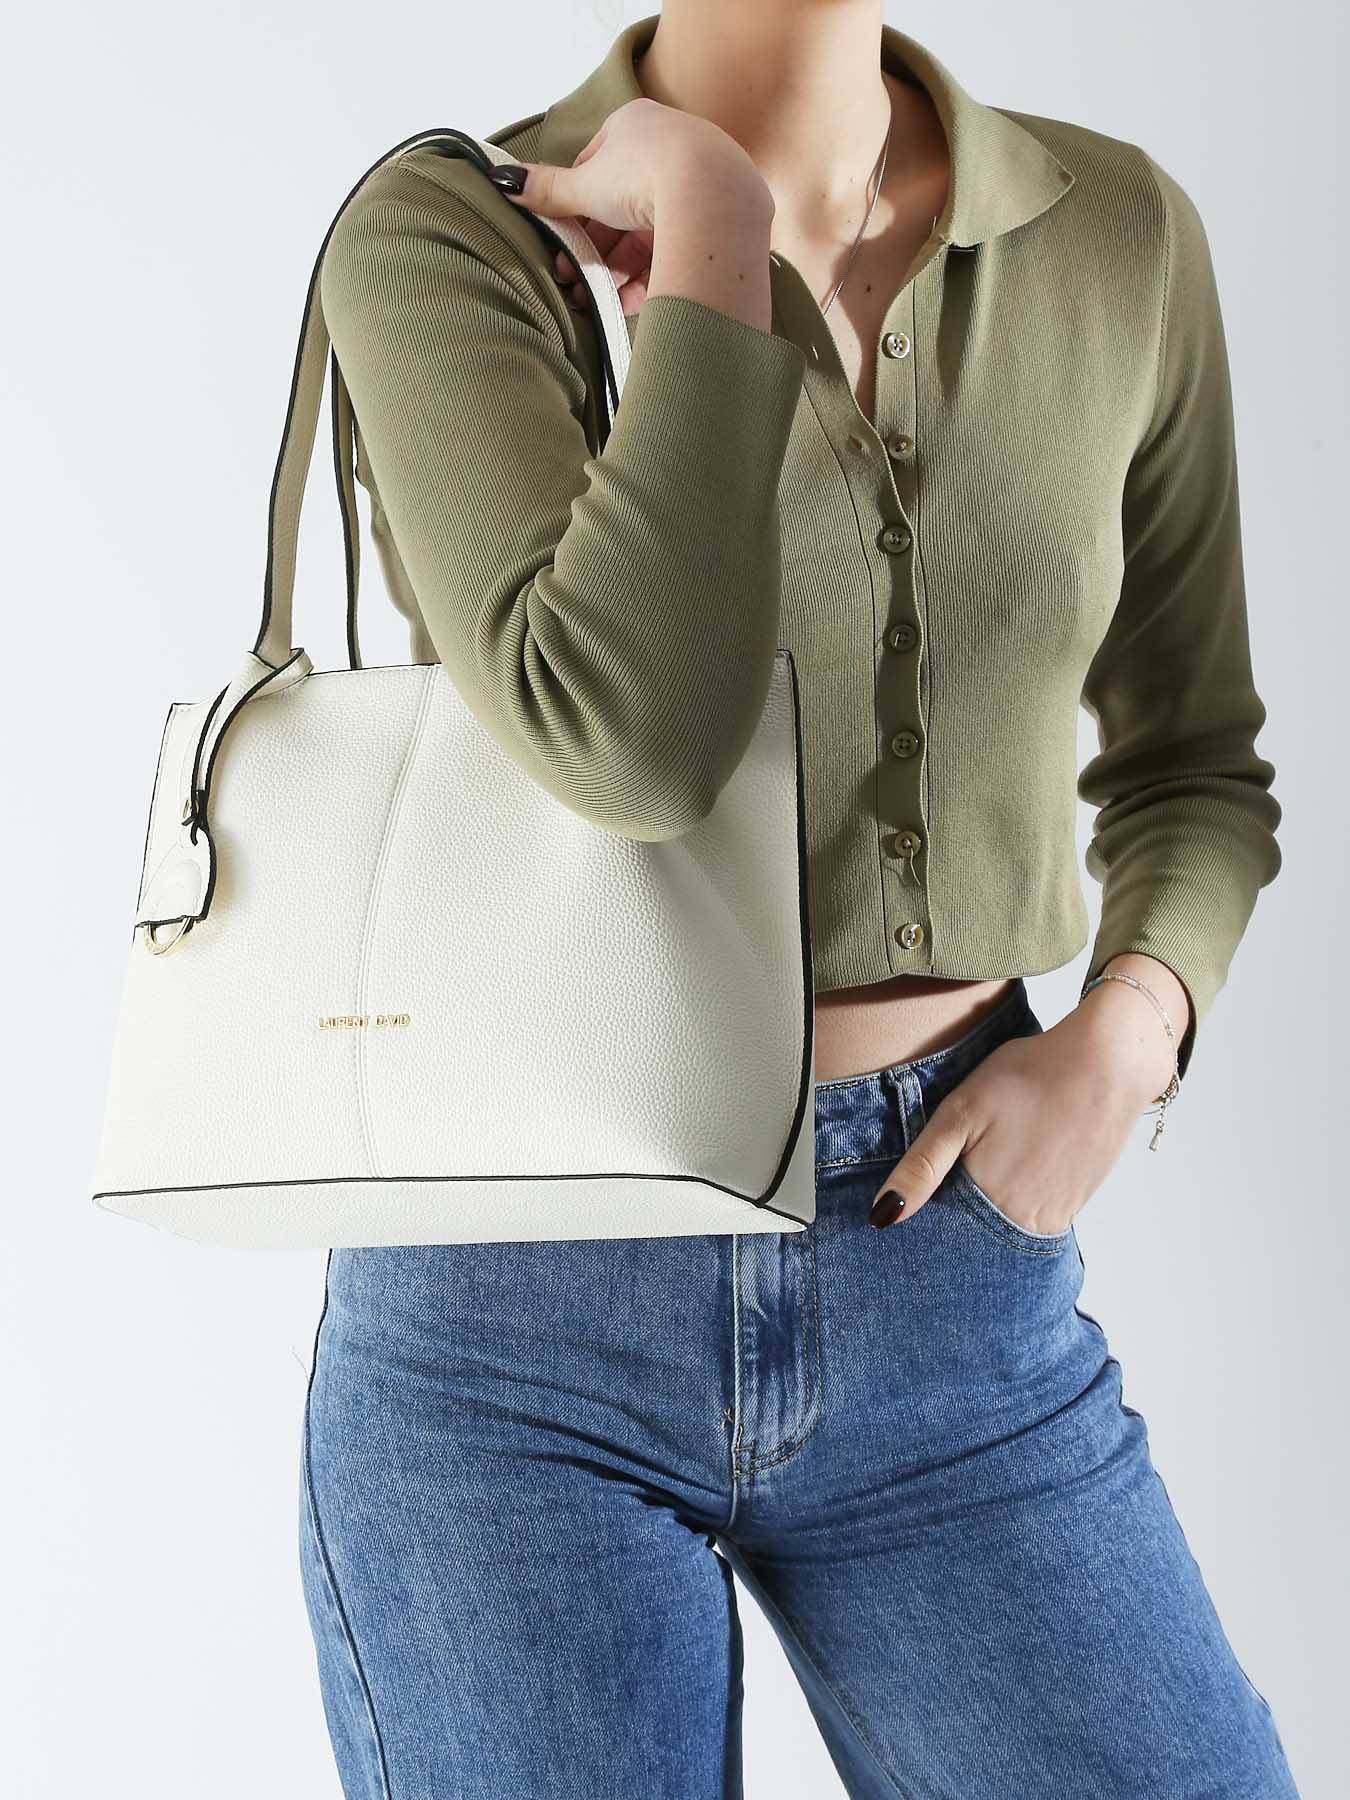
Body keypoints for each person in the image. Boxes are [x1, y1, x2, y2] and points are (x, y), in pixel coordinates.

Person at [298, 6, 1298, 1794]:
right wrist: (711, 238)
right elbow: (627, 743)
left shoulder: (1114, 232)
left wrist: (1129, 1032)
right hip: (516, 1327)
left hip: (952, 1271)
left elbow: (1193, 758)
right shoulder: (456, 234)